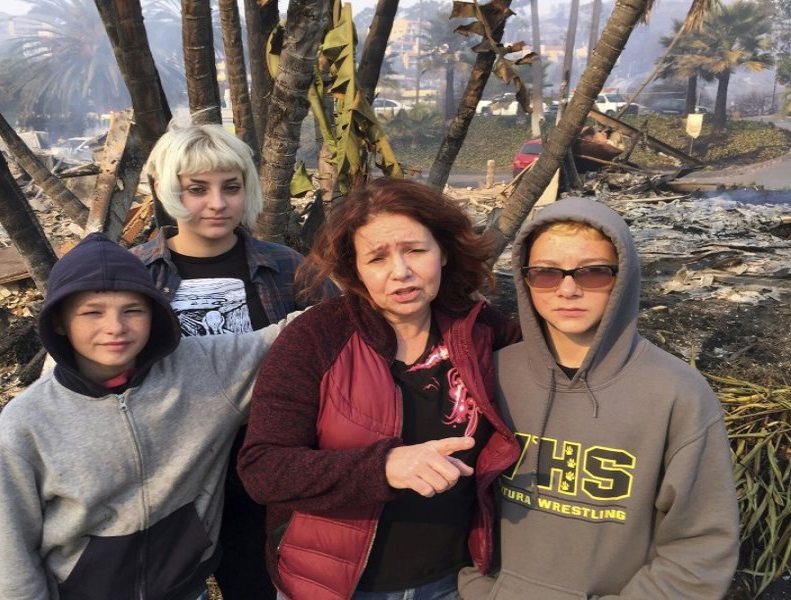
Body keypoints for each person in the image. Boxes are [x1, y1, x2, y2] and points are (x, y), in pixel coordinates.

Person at [237, 177, 523, 600]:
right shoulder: (315, 337)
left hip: (454, 581)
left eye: (415, 250)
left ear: (443, 251)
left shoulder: (483, 331)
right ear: (355, 270)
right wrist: (384, 467)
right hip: (331, 586)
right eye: (377, 258)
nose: (401, 272)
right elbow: (263, 470)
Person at [0, 232, 296, 599]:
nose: (115, 327)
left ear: (154, 313)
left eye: (132, 310)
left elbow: (289, 337)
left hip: (186, 589)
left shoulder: (204, 369)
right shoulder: (26, 424)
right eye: (92, 312)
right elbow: (12, 555)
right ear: (59, 321)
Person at [458, 197, 740, 599]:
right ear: (524, 279)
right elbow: (456, 508)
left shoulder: (677, 394)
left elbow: (700, 546)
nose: (568, 289)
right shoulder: (491, 376)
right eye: (546, 273)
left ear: (623, 277)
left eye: (593, 273)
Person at [131, 121, 337, 599]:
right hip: (173, 471)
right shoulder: (137, 275)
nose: (217, 204)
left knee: (259, 585)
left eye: (232, 187)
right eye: (197, 189)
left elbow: (335, 353)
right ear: (169, 191)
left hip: (261, 468)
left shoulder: (287, 266)